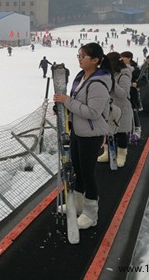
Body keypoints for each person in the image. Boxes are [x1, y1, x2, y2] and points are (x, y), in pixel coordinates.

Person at [53, 43, 113, 230]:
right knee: (78, 170)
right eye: (78, 55)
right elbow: (76, 102)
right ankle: (78, 203)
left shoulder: (98, 83)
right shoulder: (81, 76)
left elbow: (93, 112)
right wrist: (62, 107)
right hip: (78, 131)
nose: (79, 59)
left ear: (95, 60)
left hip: (91, 134)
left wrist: (68, 102)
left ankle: (90, 213)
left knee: (88, 173)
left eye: (83, 56)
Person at [98, 52, 133, 167]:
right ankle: (107, 153)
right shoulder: (107, 73)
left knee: (121, 133)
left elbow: (124, 94)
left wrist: (113, 82)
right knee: (108, 132)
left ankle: (122, 155)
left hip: (121, 109)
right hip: (109, 108)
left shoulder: (124, 75)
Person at [120, 51, 147, 141]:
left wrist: (136, 84)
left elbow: (144, 80)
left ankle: (136, 131)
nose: (122, 59)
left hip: (132, 94)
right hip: (122, 94)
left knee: (133, 113)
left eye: (124, 57)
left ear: (129, 58)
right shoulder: (119, 68)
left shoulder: (135, 70)